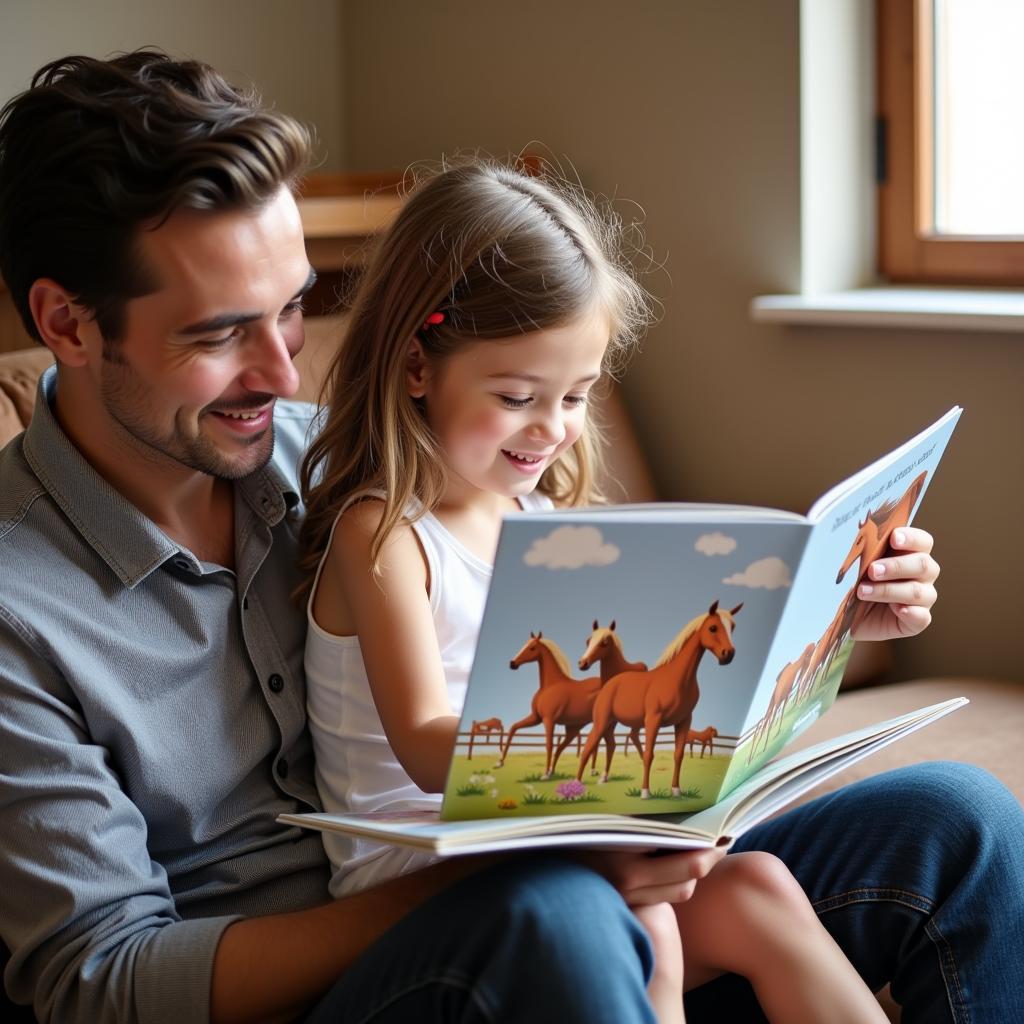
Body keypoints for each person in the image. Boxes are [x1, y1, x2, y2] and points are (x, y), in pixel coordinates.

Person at [0, 49, 1020, 1024]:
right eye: (221, 333)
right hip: (379, 970)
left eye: (295, 307)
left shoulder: (344, 455)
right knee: (562, 914)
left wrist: (844, 602)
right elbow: (105, 982)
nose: (282, 371)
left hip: (544, 919)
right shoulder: (21, 614)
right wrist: (538, 857)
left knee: (957, 821)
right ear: (69, 324)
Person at [294, 159, 908, 1023]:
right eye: (516, 397)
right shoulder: (385, 533)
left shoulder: (540, 519)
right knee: (650, 928)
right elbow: (426, 743)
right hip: (430, 879)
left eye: (578, 396)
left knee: (763, 887)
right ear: (417, 365)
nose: (552, 428)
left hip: (553, 828)